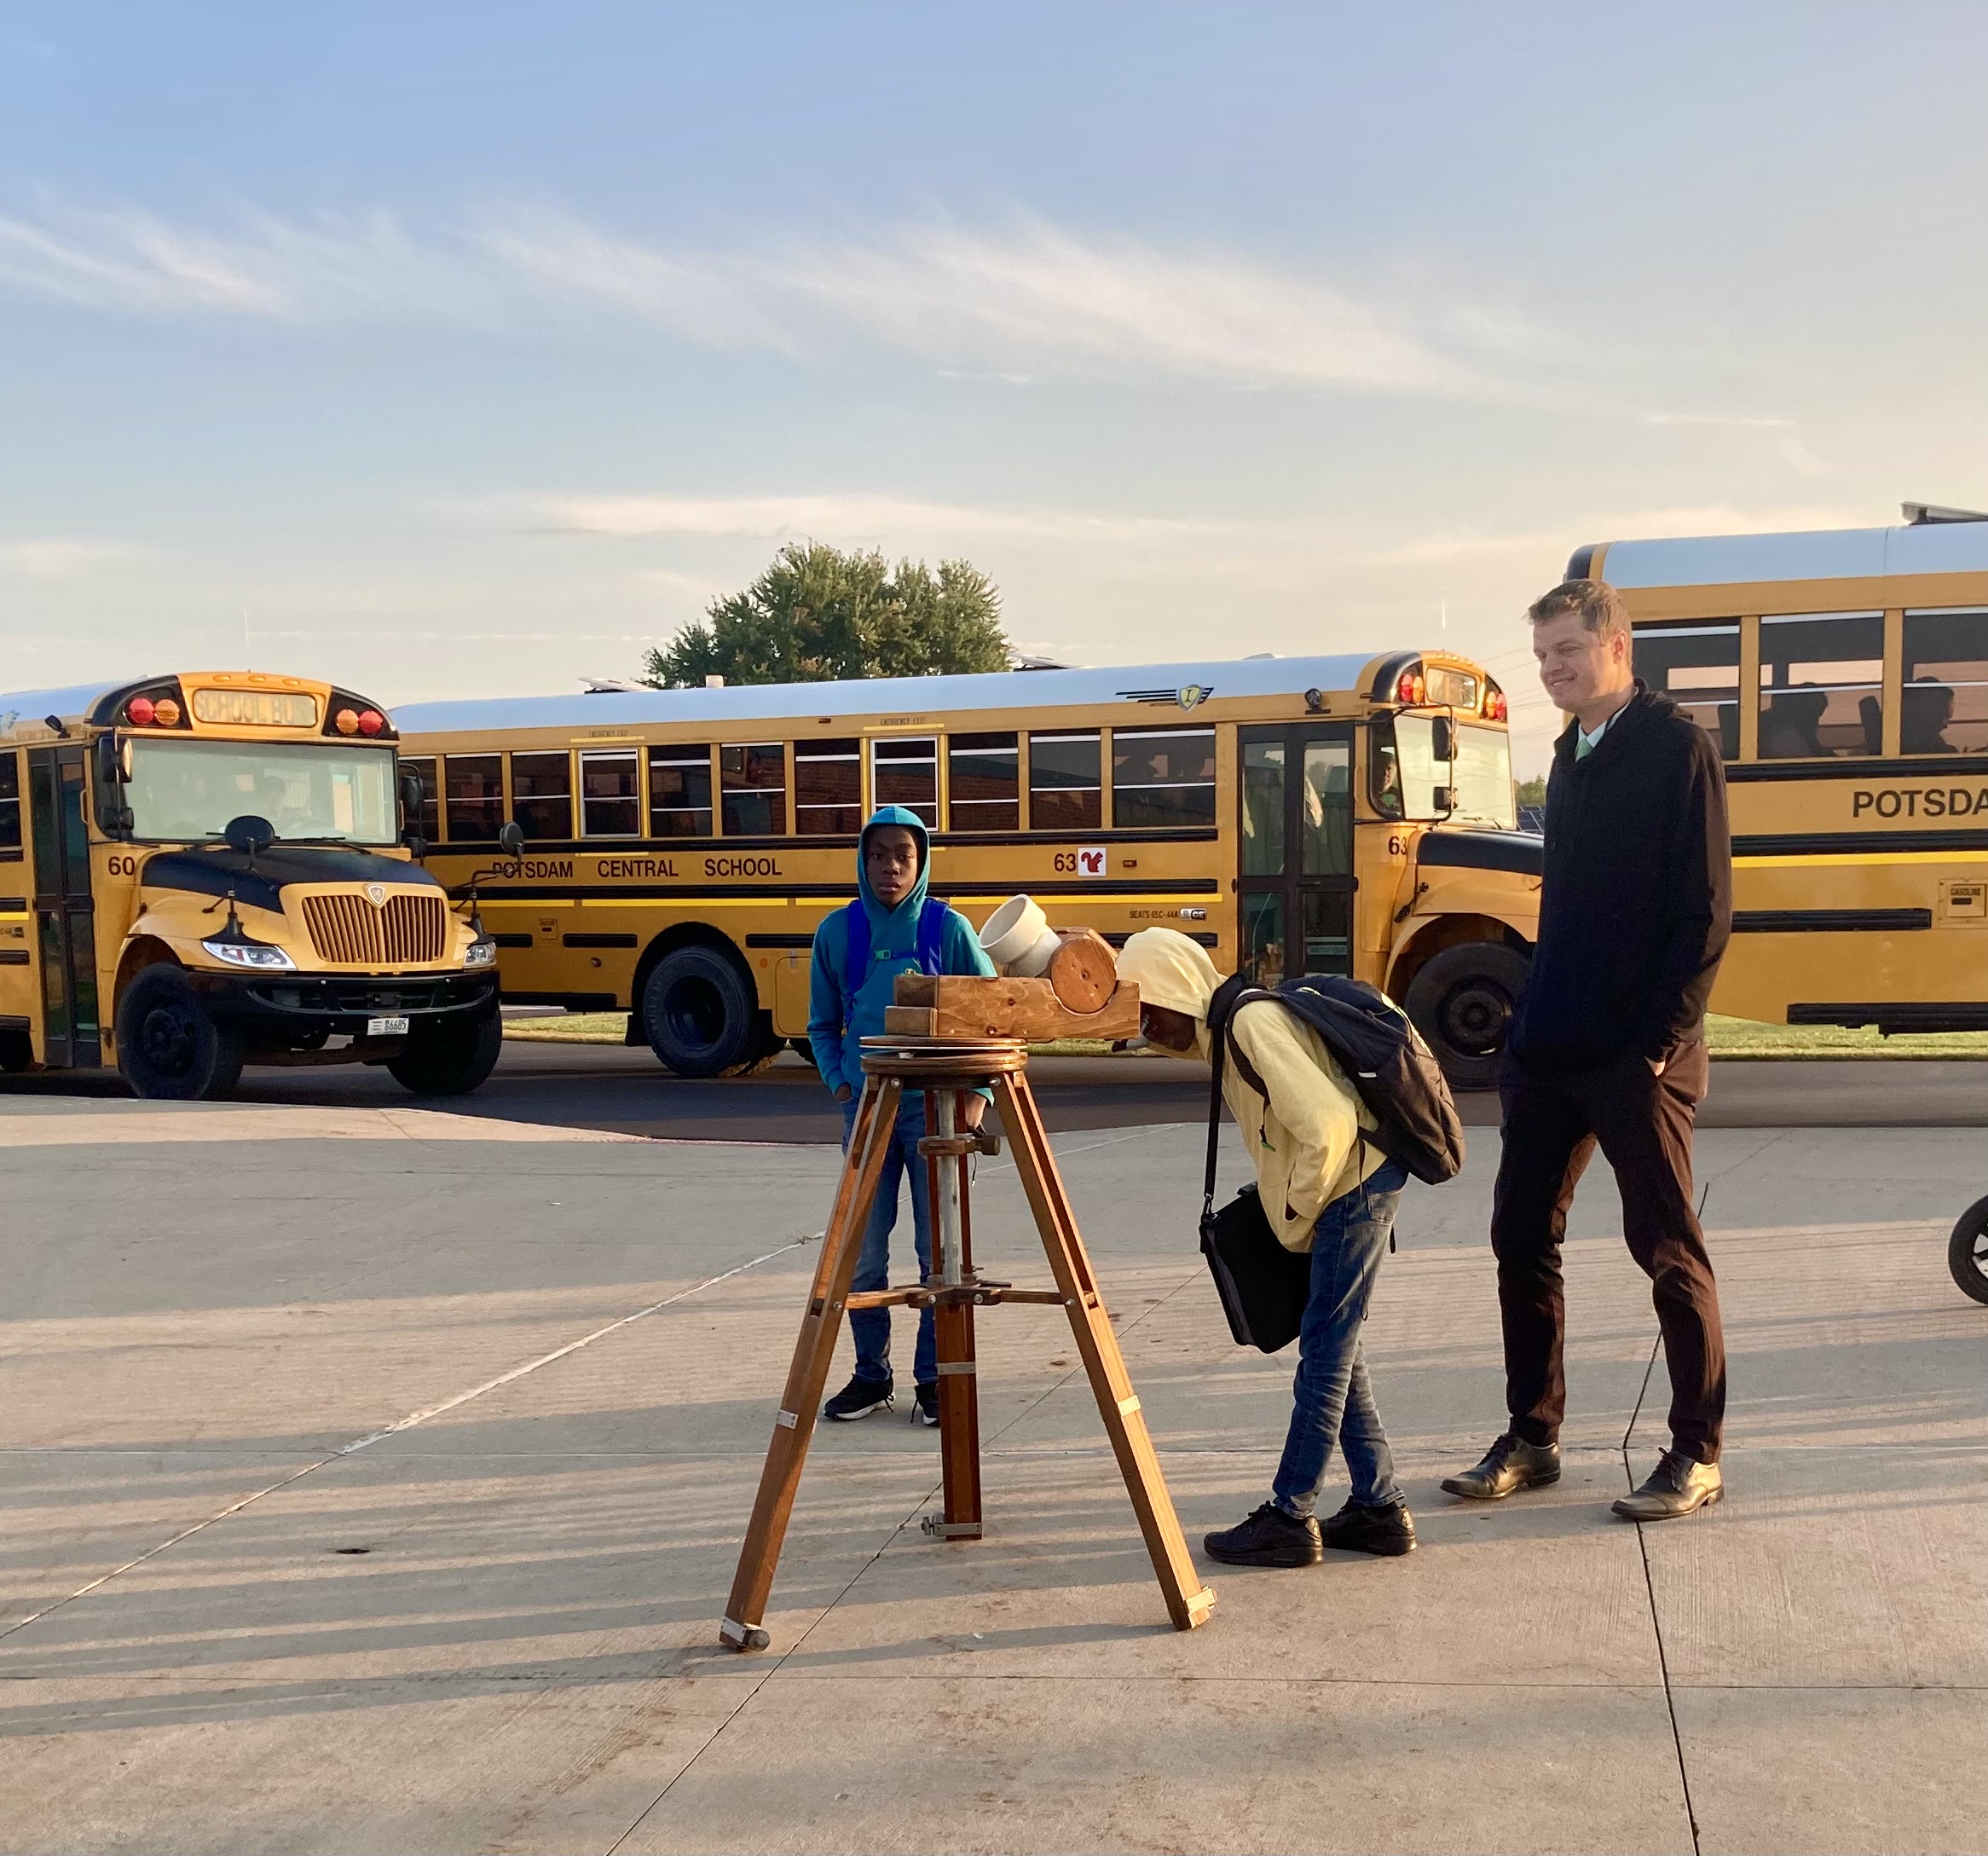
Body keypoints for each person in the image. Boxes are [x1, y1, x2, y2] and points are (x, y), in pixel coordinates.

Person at [1443, 579, 1732, 1523]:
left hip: (1636, 1052)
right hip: (1551, 1045)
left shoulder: (1674, 746)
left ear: (1617, 646)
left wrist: (1656, 1040)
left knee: (1666, 1247)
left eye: (1566, 650)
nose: (1550, 670)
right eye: (1540, 656)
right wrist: (1525, 1031)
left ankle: (1695, 1451)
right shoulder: (1569, 753)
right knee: (1519, 1235)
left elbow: (1704, 910)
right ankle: (1533, 1435)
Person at [1115, 928, 1416, 1566]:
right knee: (1337, 1346)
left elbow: (1328, 1127)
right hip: (1352, 1182)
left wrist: (1296, 1213)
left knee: (1327, 1355)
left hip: (1352, 1185)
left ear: (1176, 991)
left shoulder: (1249, 1025)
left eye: (1148, 1009)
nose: (1147, 1027)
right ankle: (1379, 1507)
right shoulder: (1227, 1031)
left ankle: (1290, 1512)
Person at [807, 804, 996, 1427]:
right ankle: (870, 1374)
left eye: (903, 855)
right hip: (868, 1113)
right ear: (862, 860)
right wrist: (840, 1083)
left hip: (937, 1116)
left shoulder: (949, 930)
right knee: (863, 1255)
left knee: (937, 1254)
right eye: (878, 853)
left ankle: (934, 1380)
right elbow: (820, 1024)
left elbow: (997, 1017)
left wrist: (979, 1097)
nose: (890, 866)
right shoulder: (838, 933)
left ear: (921, 863)